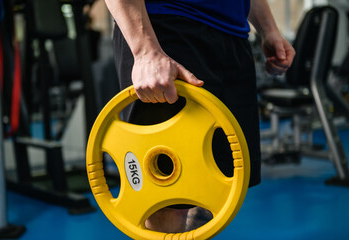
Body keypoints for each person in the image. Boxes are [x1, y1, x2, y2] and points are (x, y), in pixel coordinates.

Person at [104, 0, 295, 233]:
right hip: (166, 26)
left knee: (216, 183)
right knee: (168, 191)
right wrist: (145, 50)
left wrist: (269, 29)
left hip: (232, 35)